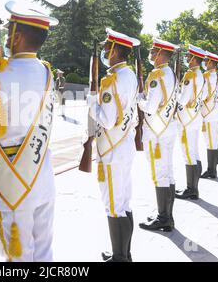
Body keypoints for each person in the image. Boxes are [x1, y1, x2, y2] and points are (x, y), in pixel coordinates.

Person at [0, 1, 58, 262]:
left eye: (10, 31)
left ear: (18, 36)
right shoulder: (47, 73)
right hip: (42, 174)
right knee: (43, 254)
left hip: (12, 183)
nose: (8, 36)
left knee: (16, 259)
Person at [87, 29, 139, 262]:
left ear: (116, 50)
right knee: (123, 201)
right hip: (124, 145)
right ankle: (124, 253)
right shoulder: (130, 76)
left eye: (108, 48)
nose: (105, 52)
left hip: (111, 150)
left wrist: (91, 103)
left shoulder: (113, 80)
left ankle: (120, 257)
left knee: (113, 204)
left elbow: (107, 120)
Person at [138, 38, 179, 232]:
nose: (151, 54)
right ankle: (167, 215)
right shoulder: (170, 73)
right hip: (168, 129)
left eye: (154, 51)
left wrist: (140, 101)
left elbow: (151, 107)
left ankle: (163, 218)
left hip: (157, 132)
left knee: (159, 173)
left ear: (162, 53)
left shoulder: (157, 75)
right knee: (167, 171)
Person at [175, 45, 205, 200]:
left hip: (187, 119)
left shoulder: (191, 75)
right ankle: (194, 188)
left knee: (188, 154)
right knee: (193, 152)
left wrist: (174, 100)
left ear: (194, 59)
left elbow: (184, 99)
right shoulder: (200, 75)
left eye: (188, 56)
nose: (186, 58)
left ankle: (191, 189)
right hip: (194, 117)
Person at [200, 52, 218, 179]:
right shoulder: (217, 76)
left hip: (207, 113)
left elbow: (203, 95)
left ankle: (211, 170)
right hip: (214, 110)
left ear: (210, 63)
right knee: (213, 141)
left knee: (210, 142)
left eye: (206, 60)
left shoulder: (207, 77)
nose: (204, 62)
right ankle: (212, 169)